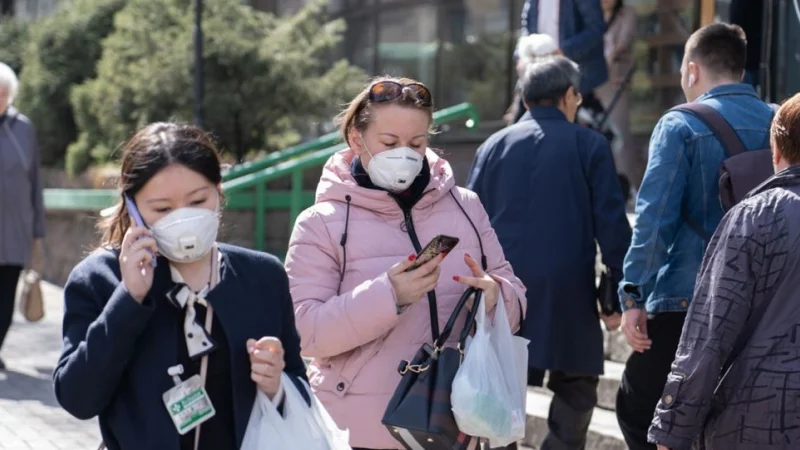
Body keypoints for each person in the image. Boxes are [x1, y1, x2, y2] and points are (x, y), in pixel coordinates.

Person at [285, 77, 527, 450]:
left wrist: (496, 298)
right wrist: (389, 296)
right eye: (389, 143)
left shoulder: (466, 204)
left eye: (417, 143)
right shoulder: (320, 223)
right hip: (364, 432)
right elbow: (305, 332)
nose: (406, 154)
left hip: (465, 422)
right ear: (356, 138)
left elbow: (516, 299)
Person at [53, 123, 309, 450]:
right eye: (162, 209)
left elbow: (300, 384)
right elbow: (78, 399)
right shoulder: (100, 277)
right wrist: (128, 300)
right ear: (132, 208)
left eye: (198, 200)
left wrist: (277, 386)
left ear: (218, 191)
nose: (183, 218)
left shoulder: (261, 276)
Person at [616, 23, 775, 450]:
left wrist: (633, 296)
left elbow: (654, 219)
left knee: (640, 408)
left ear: (690, 71)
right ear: (742, 70)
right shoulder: (781, 121)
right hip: (766, 304)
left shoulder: (680, 126)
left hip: (686, 300)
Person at [467, 56, 632, 450]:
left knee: (501, 383)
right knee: (576, 383)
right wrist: (618, 288)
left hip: (503, 288)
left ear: (525, 100)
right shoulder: (589, 145)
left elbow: (469, 222)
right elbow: (612, 225)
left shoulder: (492, 147)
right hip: (567, 285)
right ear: (570, 96)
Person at [649, 92, 800, 449]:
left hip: (758, 420)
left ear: (776, 152)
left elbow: (708, 334)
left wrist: (672, 427)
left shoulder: (755, 216)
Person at [0, 61, 45, 371]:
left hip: (14, 233)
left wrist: (37, 230)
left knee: (5, 300)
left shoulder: (24, 129)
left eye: (3, 94)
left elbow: (36, 183)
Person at [596, 0, 642, 190]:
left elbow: (624, 43)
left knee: (620, 137)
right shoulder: (589, 13)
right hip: (591, 82)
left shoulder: (627, 13)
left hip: (615, 81)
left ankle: (630, 188)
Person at [520, 0, 608, 97]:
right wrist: (522, 56)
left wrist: (563, 52)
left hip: (578, 79)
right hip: (538, 74)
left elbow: (596, 28)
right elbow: (527, 27)